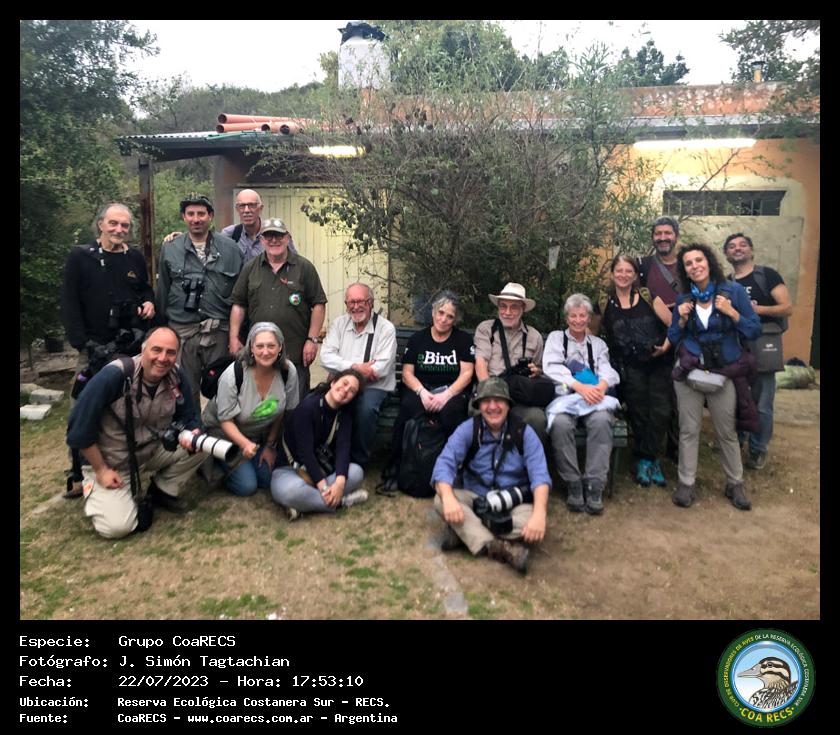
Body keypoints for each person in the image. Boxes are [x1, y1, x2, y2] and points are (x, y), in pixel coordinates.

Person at [66, 326, 206, 539]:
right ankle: (96, 485)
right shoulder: (115, 375)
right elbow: (79, 429)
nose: (163, 358)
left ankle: (162, 490)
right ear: (143, 349)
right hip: (112, 461)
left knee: (204, 443)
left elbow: (190, 416)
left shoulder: (177, 376)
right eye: (156, 350)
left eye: (170, 352)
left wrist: (192, 432)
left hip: (150, 452)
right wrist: (101, 470)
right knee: (117, 528)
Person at [60, 202, 157, 497]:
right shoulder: (81, 257)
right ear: (101, 223)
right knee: (83, 407)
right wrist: (83, 344)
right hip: (93, 347)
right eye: (113, 223)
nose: (119, 229)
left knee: (127, 406)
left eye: (125, 225)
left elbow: (145, 290)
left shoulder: (133, 257)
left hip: (129, 346)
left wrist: (149, 302)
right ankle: (78, 471)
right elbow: (69, 303)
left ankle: (127, 459)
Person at [668, 243, 761, 511]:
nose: (695, 266)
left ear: (708, 262)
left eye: (699, 260)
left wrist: (732, 313)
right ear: (684, 270)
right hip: (690, 370)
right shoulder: (684, 299)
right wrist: (681, 320)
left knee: (727, 431)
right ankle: (686, 483)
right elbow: (673, 336)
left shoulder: (733, 292)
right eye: (689, 263)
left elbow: (754, 330)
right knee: (689, 429)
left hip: (724, 370)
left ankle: (735, 483)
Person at [431, 378, 550, 575]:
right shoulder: (468, 429)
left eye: (499, 401)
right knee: (441, 500)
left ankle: (464, 532)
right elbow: (444, 464)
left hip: (513, 501)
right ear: (479, 406)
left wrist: (539, 515)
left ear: (508, 405)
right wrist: (450, 499)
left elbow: (540, 476)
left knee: (532, 518)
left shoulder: (525, 433)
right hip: (475, 497)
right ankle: (499, 547)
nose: (493, 407)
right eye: (486, 401)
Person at [380, 291, 475, 495]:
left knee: (452, 415)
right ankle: (394, 470)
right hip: (420, 389)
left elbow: (467, 373)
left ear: (455, 320)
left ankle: (456, 472)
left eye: (450, 316)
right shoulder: (418, 339)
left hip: (451, 391)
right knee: (407, 413)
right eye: (441, 312)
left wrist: (446, 395)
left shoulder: (462, 340)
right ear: (433, 312)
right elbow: (407, 373)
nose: (443, 319)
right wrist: (422, 393)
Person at [156, 194, 243, 408]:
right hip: (183, 331)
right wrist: (159, 330)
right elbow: (163, 290)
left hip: (218, 331)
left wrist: (238, 334)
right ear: (184, 217)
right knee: (183, 389)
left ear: (210, 216)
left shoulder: (231, 249)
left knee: (223, 388)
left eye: (201, 214)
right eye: (191, 214)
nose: (196, 219)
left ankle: (221, 426)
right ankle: (190, 426)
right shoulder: (170, 247)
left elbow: (241, 295)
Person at [594, 255, 672, 487]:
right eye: (619, 270)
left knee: (661, 412)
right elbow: (592, 335)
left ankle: (649, 458)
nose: (623, 275)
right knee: (639, 413)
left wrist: (667, 346)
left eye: (629, 271)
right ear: (612, 274)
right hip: (627, 367)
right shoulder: (604, 303)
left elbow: (673, 325)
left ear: (636, 275)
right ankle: (644, 460)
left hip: (657, 363)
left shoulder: (648, 297)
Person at [229, 218, 326, 401]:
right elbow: (238, 305)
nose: (274, 240)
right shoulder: (250, 268)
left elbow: (319, 304)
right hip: (260, 355)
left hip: (295, 353)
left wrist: (312, 339)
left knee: (296, 405)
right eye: (269, 236)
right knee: (260, 405)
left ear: (287, 238)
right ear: (261, 240)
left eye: (279, 236)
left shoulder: (304, 268)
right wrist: (233, 338)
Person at [543, 294, 620, 515]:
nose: (578, 320)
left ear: (589, 317)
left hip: (593, 398)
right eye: (573, 316)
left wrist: (601, 386)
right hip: (564, 398)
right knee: (560, 425)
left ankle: (595, 484)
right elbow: (551, 367)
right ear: (566, 317)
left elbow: (607, 370)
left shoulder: (597, 344)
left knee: (602, 421)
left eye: (582, 315)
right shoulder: (557, 339)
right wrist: (579, 386)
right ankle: (573, 483)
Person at [201, 322, 299, 496]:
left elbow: (281, 411)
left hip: (255, 436)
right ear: (251, 348)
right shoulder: (234, 374)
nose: (265, 352)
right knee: (247, 486)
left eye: (271, 346)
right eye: (259, 346)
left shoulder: (288, 371)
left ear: (280, 348)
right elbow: (225, 420)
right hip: (224, 433)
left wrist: (269, 445)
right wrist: (244, 444)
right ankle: (212, 462)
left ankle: (245, 460)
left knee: (267, 480)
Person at [724, 233, 793, 470]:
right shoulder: (727, 282)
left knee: (762, 402)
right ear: (726, 254)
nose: (737, 249)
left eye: (743, 245)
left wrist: (754, 310)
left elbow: (787, 308)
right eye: (732, 246)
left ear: (751, 251)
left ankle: (758, 448)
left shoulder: (767, 275)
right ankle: (737, 441)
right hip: (736, 343)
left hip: (763, 342)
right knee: (737, 397)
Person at [271, 369, 369, 520]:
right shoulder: (308, 407)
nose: (345, 390)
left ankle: (305, 504)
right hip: (290, 470)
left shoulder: (344, 414)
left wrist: (340, 483)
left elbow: (343, 449)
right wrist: (324, 488)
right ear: (333, 382)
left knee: (356, 472)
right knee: (290, 492)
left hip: (321, 470)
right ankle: (341, 502)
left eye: (352, 391)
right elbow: (305, 454)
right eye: (344, 383)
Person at [319, 283, 397, 466]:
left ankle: (357, 461)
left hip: (374, 387)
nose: (355, 307)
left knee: (364, 409)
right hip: (344, 382)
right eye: (351, 302)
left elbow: (380, 368)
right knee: (318, 402)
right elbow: (325, 357)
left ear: (371, 302)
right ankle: (324, 453)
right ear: (346, 305)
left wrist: (341, 369)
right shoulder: (339, 324)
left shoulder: (385, 328)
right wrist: (356, 367)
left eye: (360, 301)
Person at [473, 283, 548, 440]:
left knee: (537, 419)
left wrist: (537, 371)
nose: (507, 312)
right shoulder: (486, 329)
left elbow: (538, 370)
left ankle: (529, 455)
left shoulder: (534, 337)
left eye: (513, 307)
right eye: (503, 306)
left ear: (522, 309)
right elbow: (480, 364)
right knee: (481, 413)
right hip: (489, 391)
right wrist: (491, 395)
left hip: (519, 398)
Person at [638, 216, 684, 461]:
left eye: (668, 233)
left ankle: (676, 448)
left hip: (685, 337)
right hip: (654, 338)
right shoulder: (644, 266)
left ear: (676, 235)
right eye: (658, 233)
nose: (663, 238)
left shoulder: (688, 264)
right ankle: (649, 447)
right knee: (658, 395)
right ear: (652, 237)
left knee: (681, 396)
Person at [163, 188, 297, 262]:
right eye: (242, 206)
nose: (246, 210)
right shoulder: (230, 234)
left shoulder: (276, 235)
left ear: (260, 208)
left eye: (251, 205)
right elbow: (205, 244)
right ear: (237, 209)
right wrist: (182, 238)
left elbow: (295, 263)